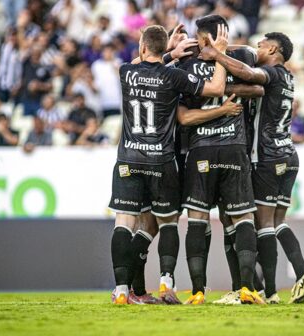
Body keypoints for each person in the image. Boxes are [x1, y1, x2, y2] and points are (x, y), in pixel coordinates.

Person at [108, 24, 234, 305]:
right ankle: (167, 283)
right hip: (162, 161)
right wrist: (222, 54)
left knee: (124, 223)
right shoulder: (173, 76)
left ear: (142, 47)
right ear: (162, 46)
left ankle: (120, 291)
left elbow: (143, 60)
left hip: (129, 158)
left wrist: (167, 50)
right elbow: (216, 87)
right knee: (167, 224)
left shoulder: (126, 71)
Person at [201, 30, 304, 304]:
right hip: (288, 155)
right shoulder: (288, 78)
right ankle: (301, 275)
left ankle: (271, 291)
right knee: (278, 222)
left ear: (274, 51)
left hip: (267, 157)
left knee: (263, 224)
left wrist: (217, 55)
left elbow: (251, 75)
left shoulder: (273, 73)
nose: (257, 49)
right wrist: (223, 47)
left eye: (262, 46)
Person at [176, 15, 265, 305]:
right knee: (243, 218)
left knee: (198, 220)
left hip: (201, 149)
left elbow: (184, 118)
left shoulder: (186, 66)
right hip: (234, 147)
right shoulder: (239, 58)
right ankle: (248, 289)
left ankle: (198, 292)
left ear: (203, 38)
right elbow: (256, 86)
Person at [91, 44, 121, 119]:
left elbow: (121, 78)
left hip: (116, 101)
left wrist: (113, 63)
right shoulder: (96, 65)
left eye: (110, 51)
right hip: (102, 102)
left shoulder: (118, 62)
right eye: (105, 51)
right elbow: (93, 81)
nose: (107, 53)